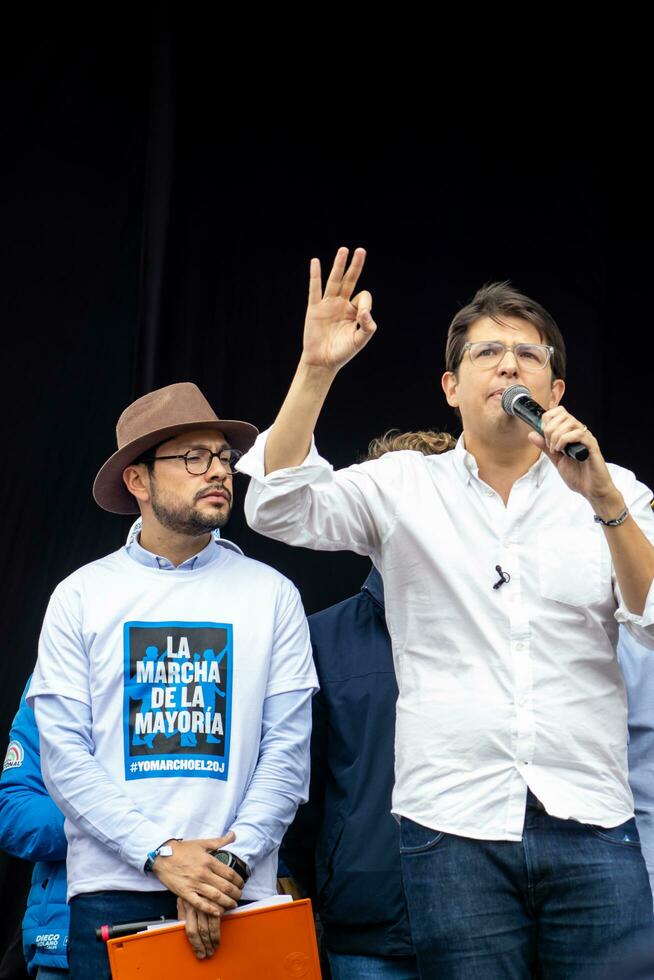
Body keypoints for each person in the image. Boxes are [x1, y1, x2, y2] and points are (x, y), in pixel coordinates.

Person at [238, 248, 654, 978]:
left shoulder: (613, 487)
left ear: (555, 388)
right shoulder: (404, 487)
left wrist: (605, 503)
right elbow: (276, 505)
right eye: (488, 352)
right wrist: (317, 369)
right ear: (450, 386)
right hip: (451, 825)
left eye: (529, 354)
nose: (508, 365)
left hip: (591, 818)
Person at [27, 382, 318, 980]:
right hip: (115, 890)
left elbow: (287, 753)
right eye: (192, 458)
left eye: (222, 457)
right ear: (137, 481)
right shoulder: (80, 596)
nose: (217, 471)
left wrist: (227, 865)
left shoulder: (272, 594)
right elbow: (63, 758)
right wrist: (161, 856)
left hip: (241, 892)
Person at [281, 430, 455, 980]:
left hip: (489, 914)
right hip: (366, 918)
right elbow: (295, 775)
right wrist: (294, 875)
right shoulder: (319, 637)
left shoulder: (512, 630)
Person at [0, 681, 69, 979]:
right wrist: (110, 822)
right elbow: (15, 813)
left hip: (205, 928)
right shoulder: (55, 670)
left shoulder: (223, 654)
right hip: (68, 946)